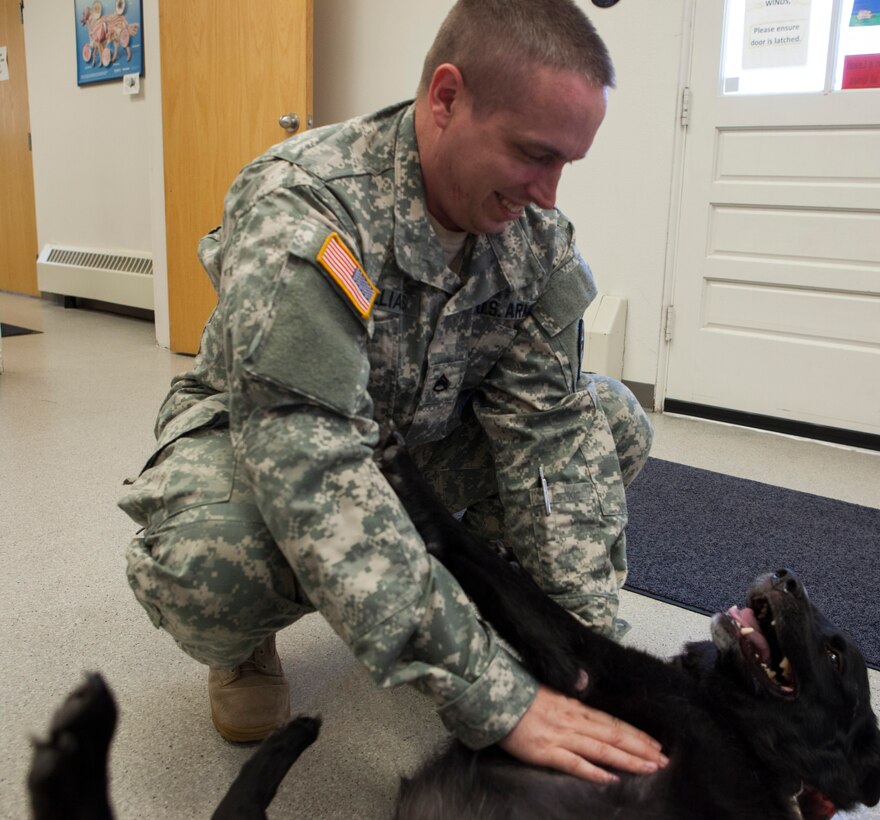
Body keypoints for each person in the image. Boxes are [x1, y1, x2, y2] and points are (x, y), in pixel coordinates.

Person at [119, 0, 659, 785]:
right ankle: (243, 650)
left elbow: (550, 444)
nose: (548, 194)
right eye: (532, 154)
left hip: (419, 448)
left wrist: (585, 664)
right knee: (209, 557)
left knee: (608, 423)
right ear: (445, 99)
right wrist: (491, 693)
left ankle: (481, 606)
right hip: (272, 446)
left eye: (566, 165)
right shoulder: (305, 206)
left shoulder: (535, 239)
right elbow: (313, 459)